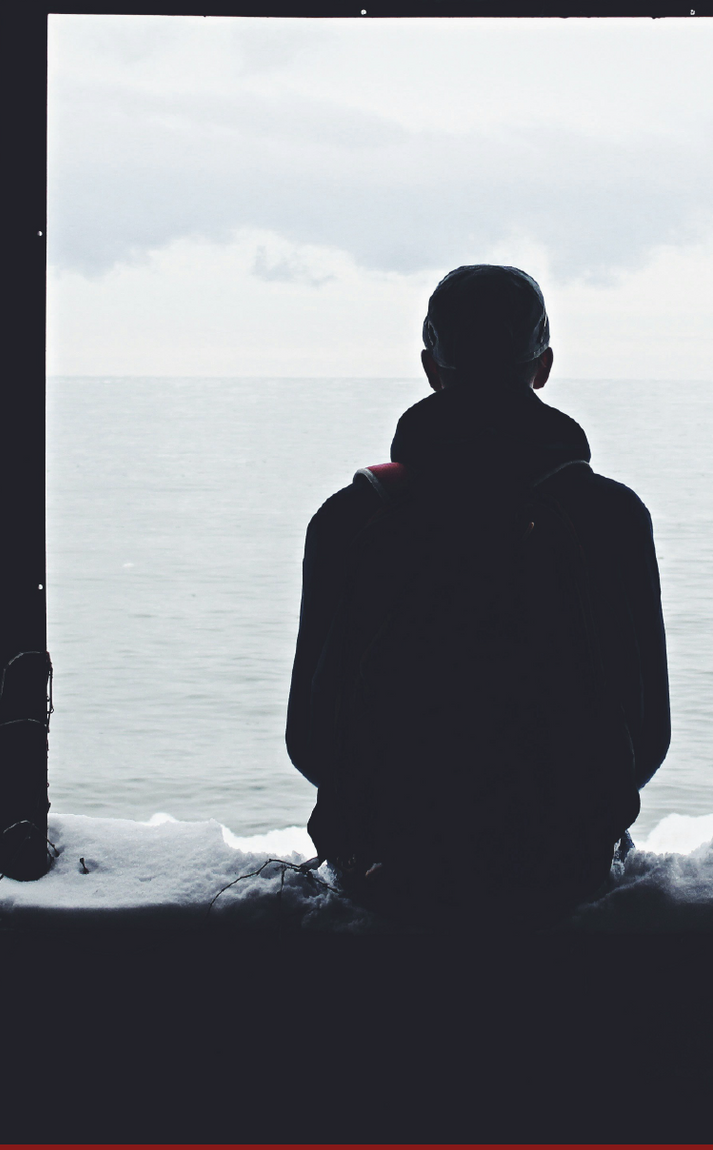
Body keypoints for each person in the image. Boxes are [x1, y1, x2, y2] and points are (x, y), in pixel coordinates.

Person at [284, 264, 670, 928]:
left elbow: (310, 742)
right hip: (560, 868)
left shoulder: (353, 518)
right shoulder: (611, 517)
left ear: (432, 367)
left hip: (390, 869)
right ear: (543, 366)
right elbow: (647, 738)